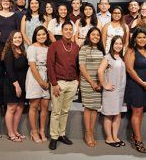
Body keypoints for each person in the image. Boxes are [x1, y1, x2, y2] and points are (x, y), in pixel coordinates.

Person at [47, 21, 80, 150]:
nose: (68, 31)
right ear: (61, 31)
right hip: (58, 83)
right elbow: (50, 66)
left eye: (70, 29)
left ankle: (61, 134)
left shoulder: (76, 47)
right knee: (56, 111)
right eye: (65, 29)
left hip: (72, 83)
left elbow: (78, 66)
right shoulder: (54, 46)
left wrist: (77, 81)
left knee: (65, 111)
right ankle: (54, 137)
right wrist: (54, 84)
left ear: (73, 31)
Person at [124, 28, 146, 153]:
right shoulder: (131, 51)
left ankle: (134, 134)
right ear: (135, 39)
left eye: (144, 37)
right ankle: (138, 140)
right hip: (135, 85)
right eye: (139, 37)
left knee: (141, 111)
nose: (142, 40)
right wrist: (142, 83)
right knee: (136, 112)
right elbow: (130, 70)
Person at [98, 35, 127, 147]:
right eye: (116, 43)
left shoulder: (121, 57)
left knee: (117, 114)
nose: (118, 46)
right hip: (111, 92)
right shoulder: (108, 57)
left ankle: (115, 136)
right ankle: (109, 138)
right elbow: (100, 71)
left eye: (120, 43)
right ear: (112, 44)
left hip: (120, 91)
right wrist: (104, 84)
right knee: (109, 115)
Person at [79, 27, 105, 147]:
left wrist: (100, 83)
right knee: (88, 107)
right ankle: (88, 133)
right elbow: (82, 68)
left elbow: (104, 67)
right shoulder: (84, 49)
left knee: (95, 108)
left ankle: (92, 132)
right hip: (87, 82)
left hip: (99, 82)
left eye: (98, 35)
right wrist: (92, 83)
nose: (95, 37)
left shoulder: (101, 50)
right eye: (93, 35)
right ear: (89, 36)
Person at [1, 30, 28, 142]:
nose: (18, 39)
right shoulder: (9, 52)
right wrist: (16, 86)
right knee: (11, 108)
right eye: (15, 38)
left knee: (20, 107)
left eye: (19, 38)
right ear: (11, 40)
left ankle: (15, 130)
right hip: (12, 84)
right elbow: (9, 71)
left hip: (22, 83)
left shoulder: (22, 50)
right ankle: (11, 133)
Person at [25, 26, 51, 143]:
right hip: (35, 77)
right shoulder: (32, 48)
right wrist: (41, 81)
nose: (41, 36)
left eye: (43, 34)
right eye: (39, 34)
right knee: (34, 106)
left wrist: (48, 81)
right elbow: (32, 66)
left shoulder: (48, 48)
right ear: (35, 36)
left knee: (45, 106)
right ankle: (34, 131)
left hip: (46, 76)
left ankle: (42, 130)